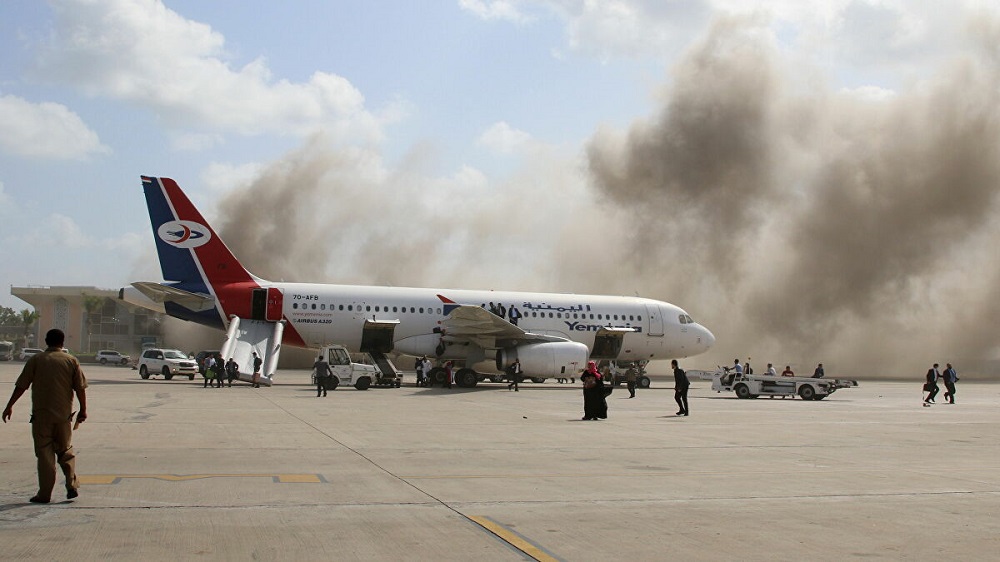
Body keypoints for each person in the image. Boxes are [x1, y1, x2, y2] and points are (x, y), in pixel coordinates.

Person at [2, 329, 88, 503]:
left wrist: (9, 406)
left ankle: (45, 493)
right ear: (62, 342)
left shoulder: (37, 360)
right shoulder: (71, 361)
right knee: (65, 451)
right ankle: (71, 484)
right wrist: (83, 410)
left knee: (44, 454)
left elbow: (22, 386)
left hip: (42, 417)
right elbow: (80, 387)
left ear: (46, 341)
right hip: (64, 417)